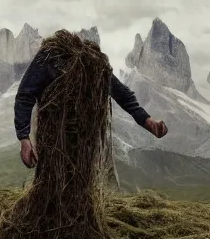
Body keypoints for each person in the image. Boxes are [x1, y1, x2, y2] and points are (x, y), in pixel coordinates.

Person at [13, 44, 168, 171]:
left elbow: (123, 95)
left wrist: (147, 120)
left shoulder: (96, 66)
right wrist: (24, 139)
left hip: (85, 146)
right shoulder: (49, 60)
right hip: (52, 142)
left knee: (81, 190)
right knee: (51, 187)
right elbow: (25, 95)